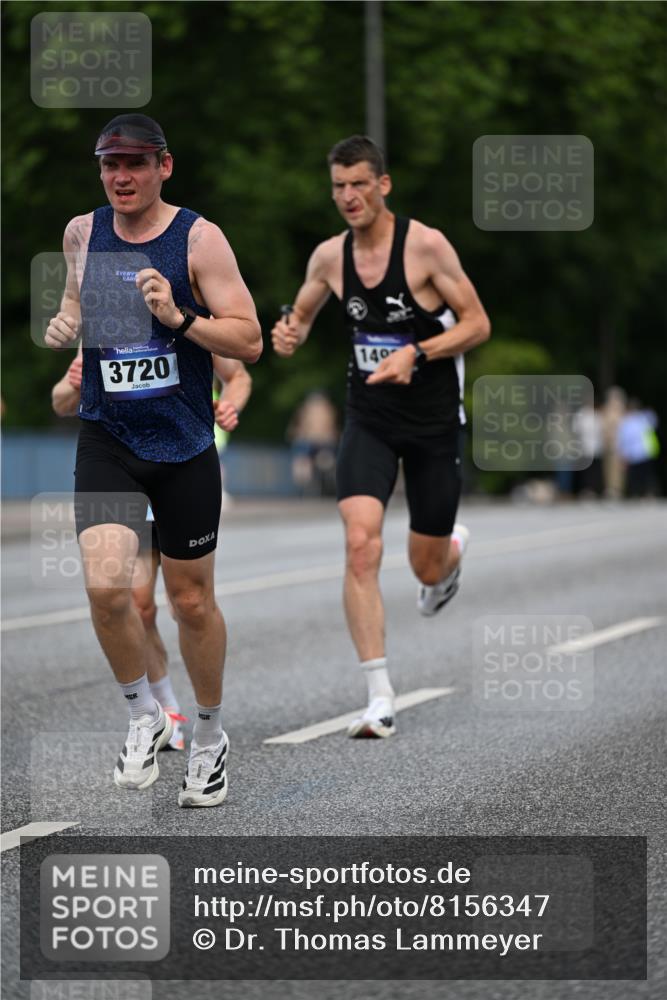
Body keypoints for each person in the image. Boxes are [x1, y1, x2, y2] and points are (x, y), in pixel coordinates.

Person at [45, 113, 261, 807]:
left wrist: (178, 318)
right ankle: (144, 714)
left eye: (135, 164)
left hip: (186, 445)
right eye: (110, 164)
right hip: (108, 438)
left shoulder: (198, 238)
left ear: (164, 166)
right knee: (109, 590)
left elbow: (250, 340)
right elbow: (78, 312)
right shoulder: (83, 232)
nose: (121, 177)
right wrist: (65, 328)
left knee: (190, 602)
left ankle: (209, 735)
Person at [272, 135, 490, 738]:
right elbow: (302, 315)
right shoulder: (329, 258)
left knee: (423, 565)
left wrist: (416, 353)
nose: (348, 196)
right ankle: (379, 696)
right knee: (361, 545)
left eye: (360, 184)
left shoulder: (424, 246)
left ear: (383, 184)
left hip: (433, 422)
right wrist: (288, 333)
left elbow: (477, 323)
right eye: (339, 185)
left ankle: (447, 560)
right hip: (369, 417)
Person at [51, 351, 253, 751]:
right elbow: (61, 401)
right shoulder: (105, 318)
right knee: (139, 604)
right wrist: (72, 383)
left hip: (183, 463)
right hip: (125, 472)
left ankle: (207, 724)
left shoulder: (185, 310)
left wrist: (230, 404)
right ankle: (165, 711)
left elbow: (239, 373)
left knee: (189, 603)